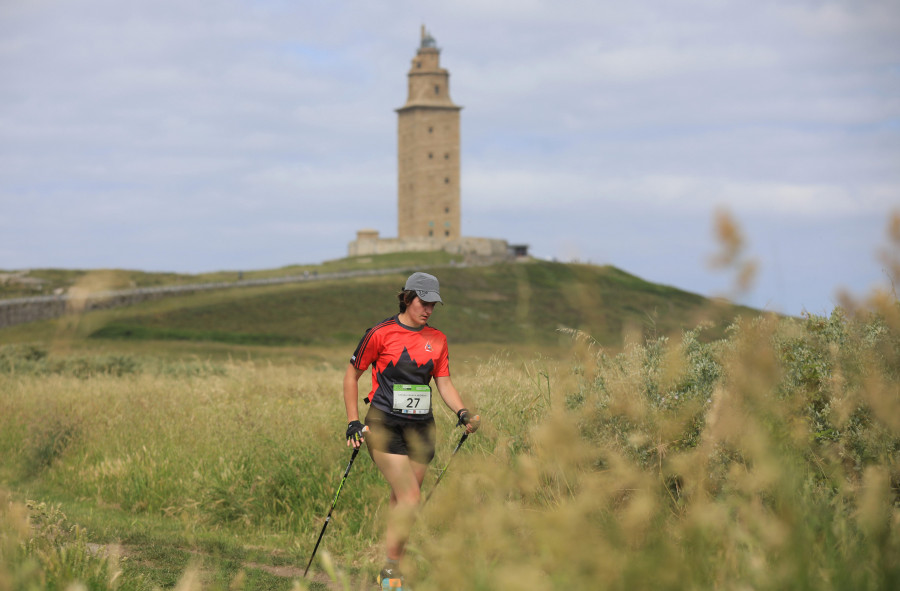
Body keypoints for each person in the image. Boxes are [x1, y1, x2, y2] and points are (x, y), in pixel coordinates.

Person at [343, 272, 480, 590]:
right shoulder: (380, 333)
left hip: (421, 429)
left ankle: (392, 568)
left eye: (433, 304)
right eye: (423, 302)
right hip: (382, 424)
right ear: (407, 298)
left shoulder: (439, 339)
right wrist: (353, 421)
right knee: (410, 496)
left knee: (401, 501)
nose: (429, 309)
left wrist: (462, 413)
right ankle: (392, 577)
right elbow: (352, 376)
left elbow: (443, 382)